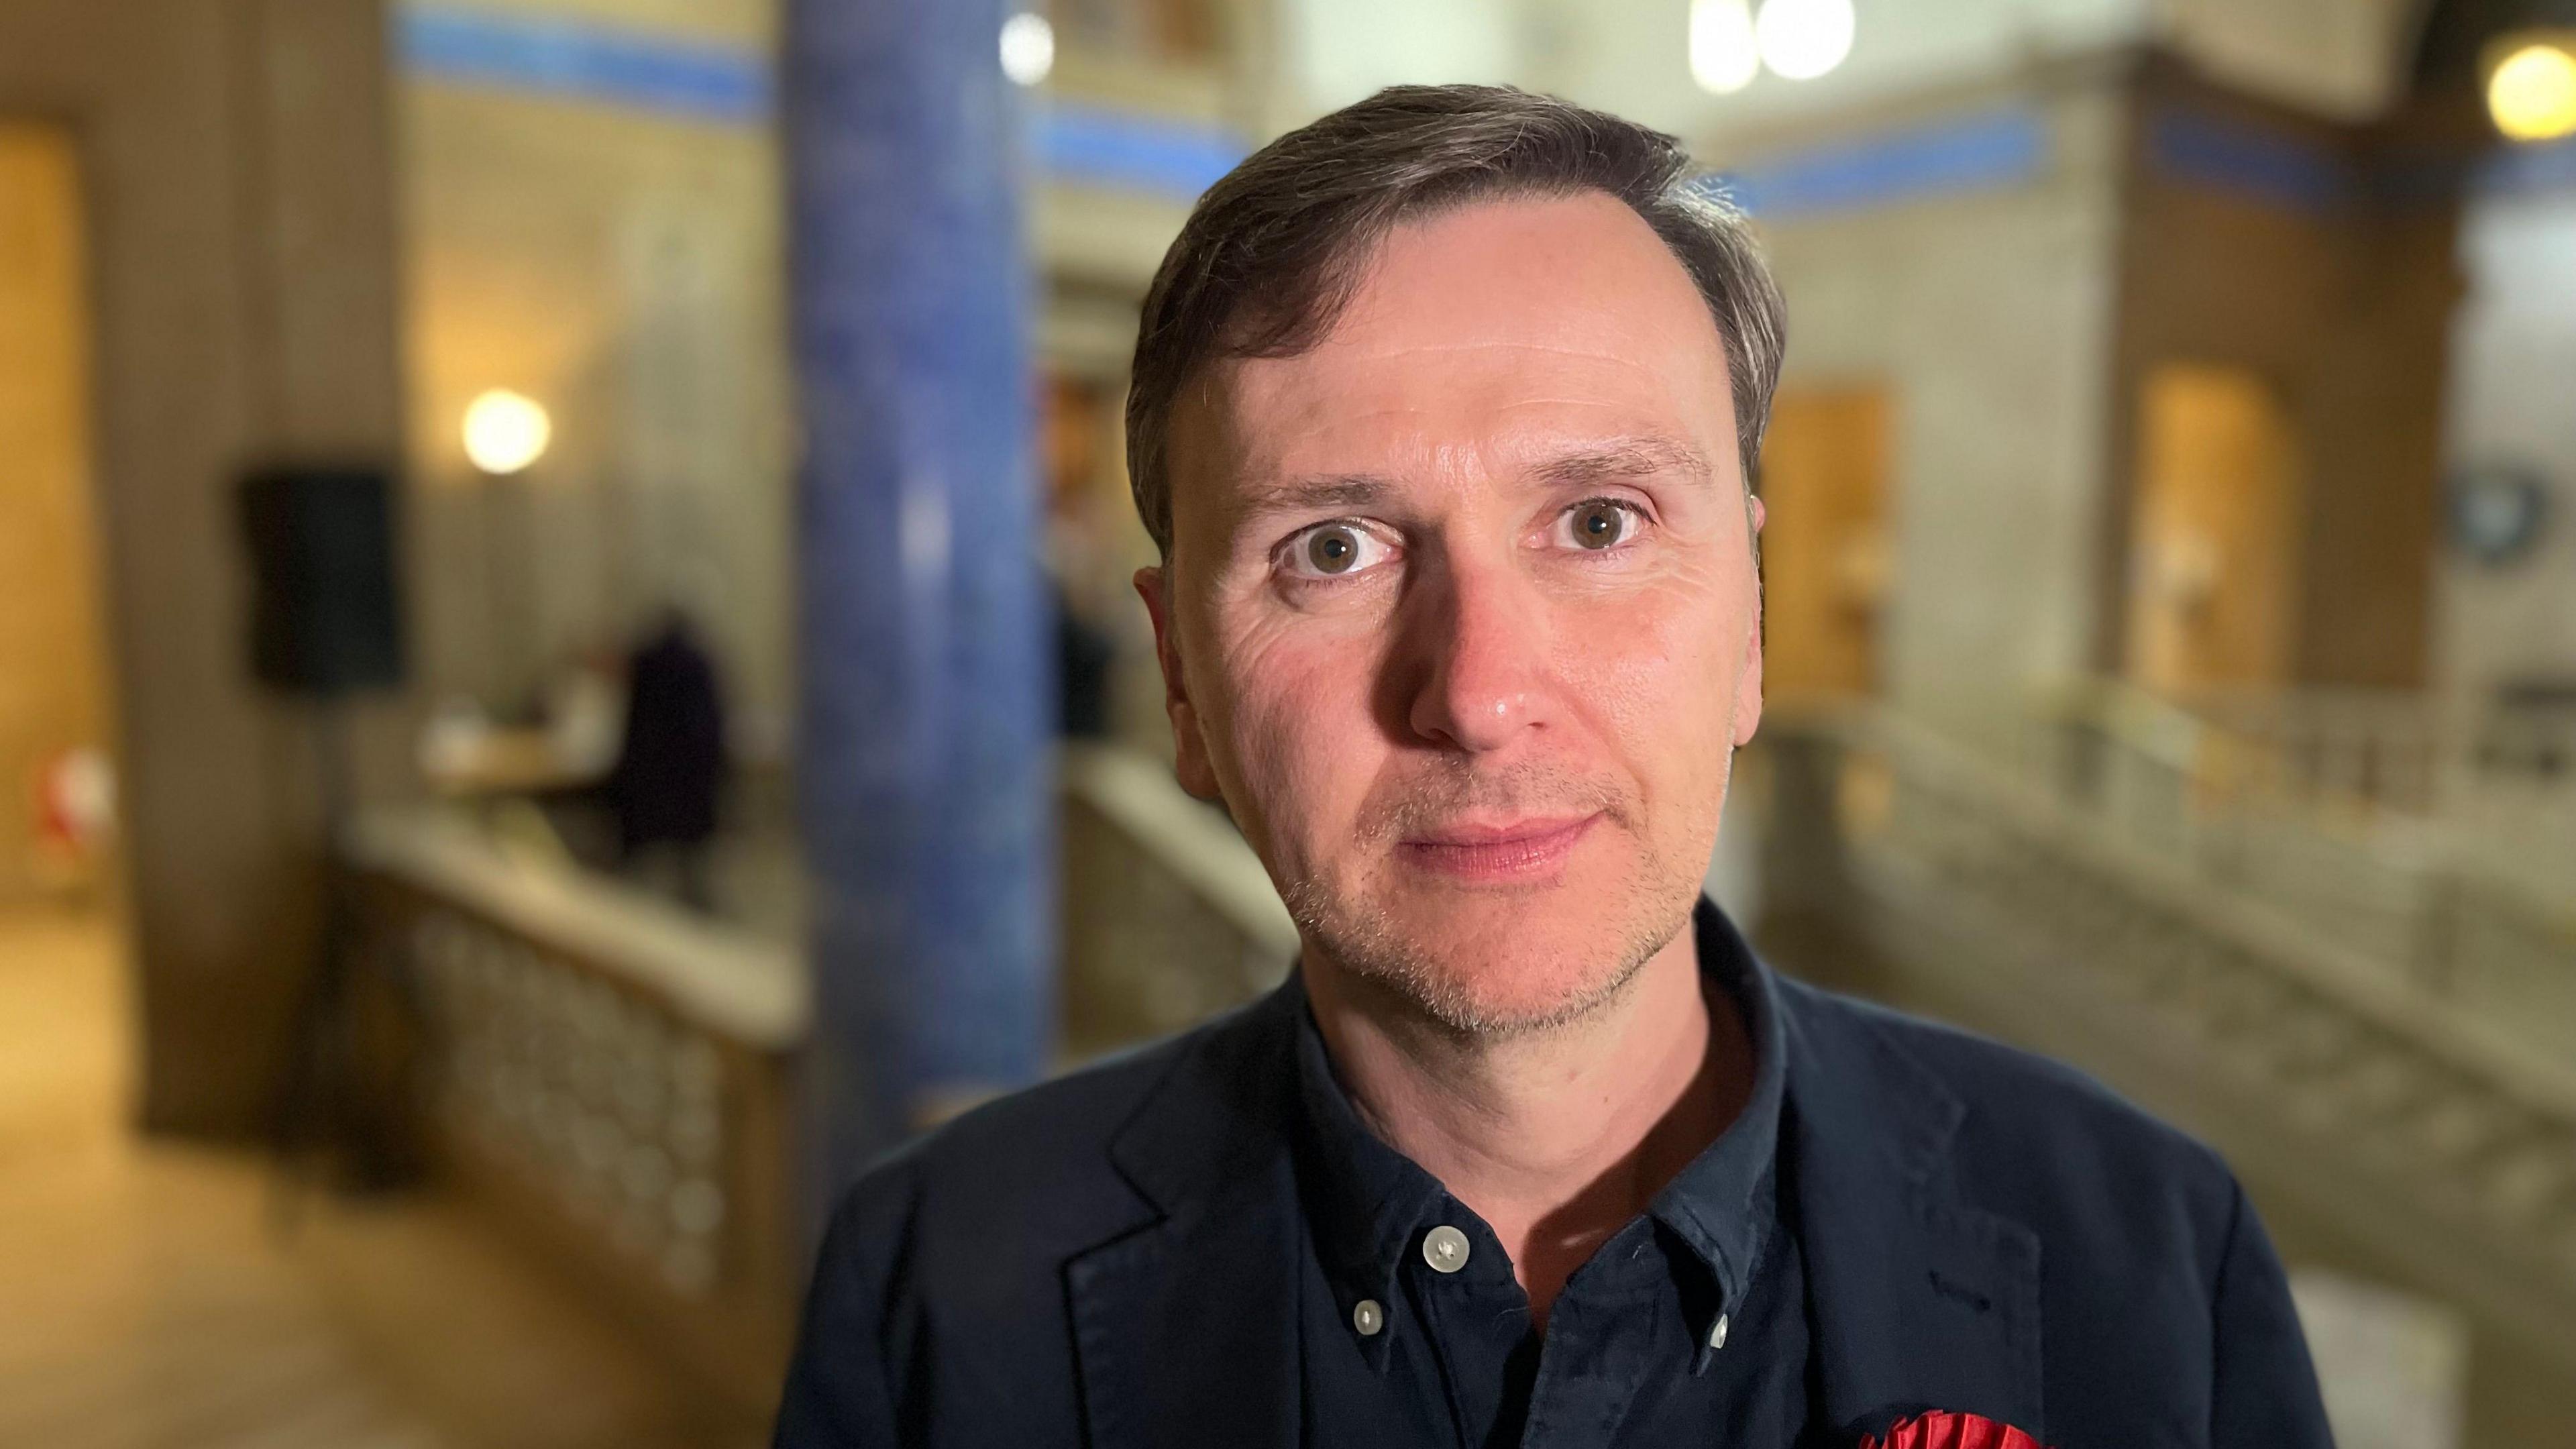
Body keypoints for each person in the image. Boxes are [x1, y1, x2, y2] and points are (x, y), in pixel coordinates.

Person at [773, 85, 2330, 1448]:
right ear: (1183, 680)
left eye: (1600, 522)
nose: (1481, 692)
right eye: (1333, 548)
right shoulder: (937, 1287)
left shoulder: (2148, 1258)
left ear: (1753, 628)